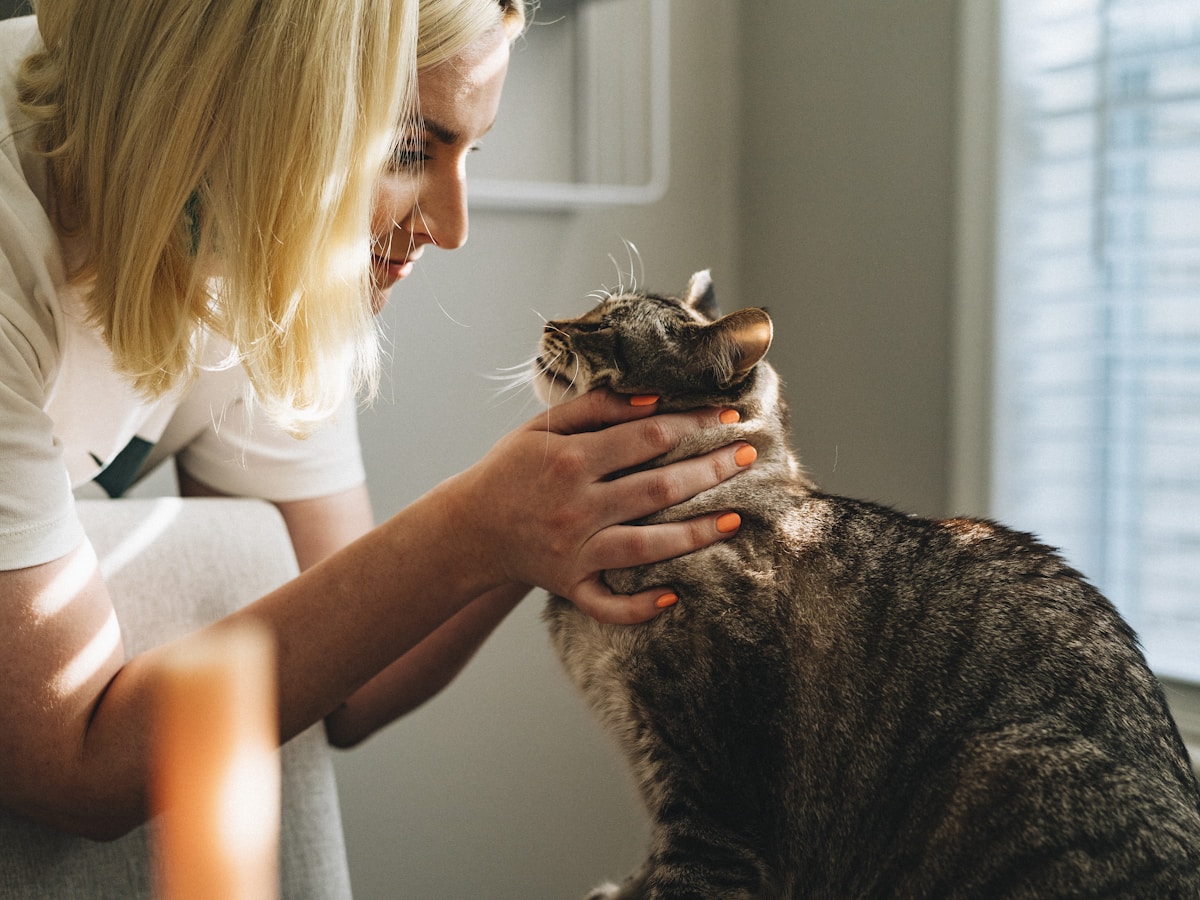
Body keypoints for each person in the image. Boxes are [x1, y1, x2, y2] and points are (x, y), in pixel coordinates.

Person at [0, 0, 753, 847]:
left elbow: (353, 684)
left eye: (469, 152)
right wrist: (478, 526)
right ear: (232, 105)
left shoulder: (257, 235)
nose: (453, 227)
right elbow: (70, 766)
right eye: (407, 151)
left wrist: (553, 510)